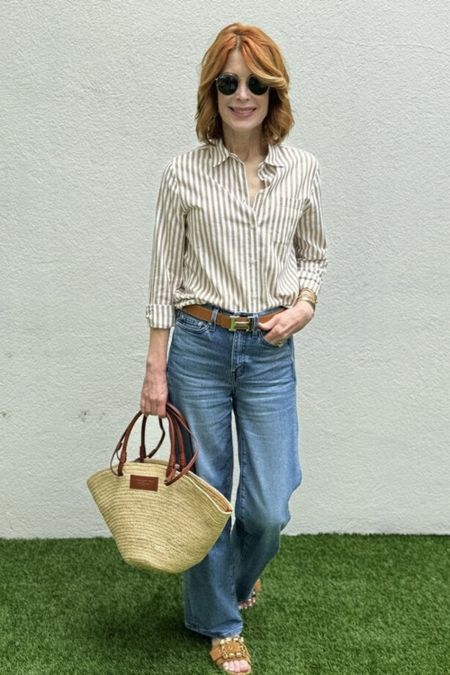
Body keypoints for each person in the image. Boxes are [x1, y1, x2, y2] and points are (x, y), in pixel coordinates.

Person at [140, 22, 328, 674]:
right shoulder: (181, 174)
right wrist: (154, 371)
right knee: (206, 493)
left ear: (273, 90)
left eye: (254, 82)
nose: (241, 94)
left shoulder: (301, 169)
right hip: (196, 344)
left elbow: (315, 256)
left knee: (270, 503)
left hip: (269, 353)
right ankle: (219, 621)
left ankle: (231, 581)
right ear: (211, 90)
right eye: (228, 82)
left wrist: (301, 307)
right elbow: (163, 279)